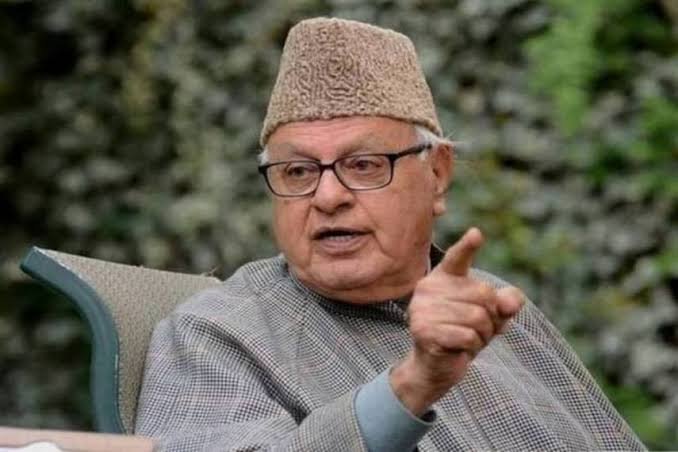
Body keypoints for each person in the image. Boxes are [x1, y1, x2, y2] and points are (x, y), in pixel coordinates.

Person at [135, 17, 645, 451]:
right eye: (297, 172)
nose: (327, 196)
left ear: (437, 174)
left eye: (363, 164)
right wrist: (412, 386)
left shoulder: (491, 308)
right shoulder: (216, 333)